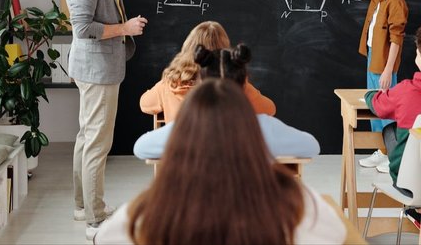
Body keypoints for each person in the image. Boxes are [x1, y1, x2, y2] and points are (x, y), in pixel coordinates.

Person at [94, 79, 345, 245]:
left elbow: (105, 238)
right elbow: (337, 234)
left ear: (185, 132)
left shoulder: (144, 213)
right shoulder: (298, 207)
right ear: (250, 128)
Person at [64, 0, 186, 240]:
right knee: (97, 145)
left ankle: (81, 206)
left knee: (86, 138)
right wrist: (125, 28)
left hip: (97, 68)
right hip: (97, 71)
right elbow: (83, 28)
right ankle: (95, 221)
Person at [134, 44, 319, 160]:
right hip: (249, 216)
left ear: (202, 82)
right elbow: (312, 146)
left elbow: (141, 148)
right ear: (243, 83)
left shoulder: (183, 130)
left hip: (196, 216)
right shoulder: (264, 128)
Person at [312, 0, 408, 171]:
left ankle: (392, 154)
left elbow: (396, 40)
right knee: (375, 104)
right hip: (373, 55)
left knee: (386, 107)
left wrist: (387, 70)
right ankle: (381, 150)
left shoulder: (397, 2)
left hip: (384, 62)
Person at [140, 21, 276, 122]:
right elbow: (269, 109)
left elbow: (145, 104)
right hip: (224, 155)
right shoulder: (236, 84)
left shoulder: (171, 83)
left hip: (182, 155)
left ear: (189, 47)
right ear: (224, 49)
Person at [364, 26, 421, 194]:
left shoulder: (406, 91)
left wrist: (371, 94)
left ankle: (416, 210)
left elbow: (378, 106)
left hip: (408, 184)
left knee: (390, 129)